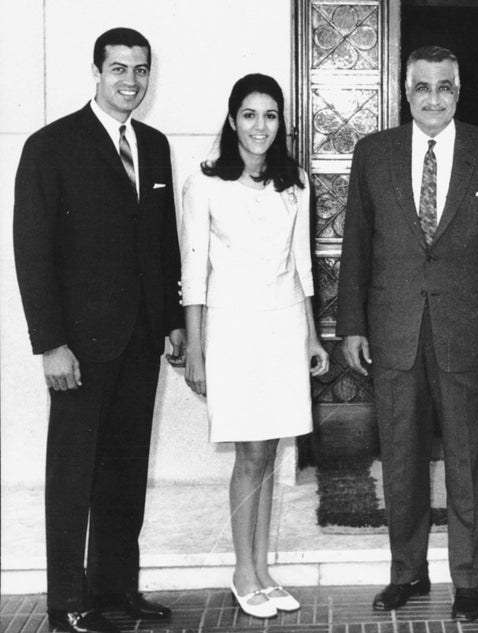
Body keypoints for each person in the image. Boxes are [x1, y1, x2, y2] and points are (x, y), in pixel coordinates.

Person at [336, 45, 478, 622]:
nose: (434, 98)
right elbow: (357, 247)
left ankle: (469, 579)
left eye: (445, 86)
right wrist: (350, 327)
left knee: (469, 461)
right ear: (406, 91)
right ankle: (408, 573)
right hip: (392, 330)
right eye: (423, 87)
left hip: (468, 330)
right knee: (400, 459)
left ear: (458, 91)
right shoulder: (374, 153)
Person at [12, 27, 183, 633]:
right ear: (96, 71)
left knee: (125, 471)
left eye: (140, 70)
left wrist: (173, 323)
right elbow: (32, 252)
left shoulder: (156, 147)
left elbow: (163, 244)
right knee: (73, 474)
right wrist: (51, 343)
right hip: (79, 347)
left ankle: (115, 590)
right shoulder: (51, 145)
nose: (130, 81)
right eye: (118, 69)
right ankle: (66, 602)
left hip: (140, 342)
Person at [180, 73, 329, 619]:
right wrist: (195, 350)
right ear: (232, 119)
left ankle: (263, 569)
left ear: (280, 122)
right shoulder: (205, 182)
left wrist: (312, 335)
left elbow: (303, 266)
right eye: (249, 114)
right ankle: (243, 571)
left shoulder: (296, 182)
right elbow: (193, 270)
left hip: (285, 325)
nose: (260, 126)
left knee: (270, 453)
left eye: (270, 115)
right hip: (233, 330)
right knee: (249, 453)